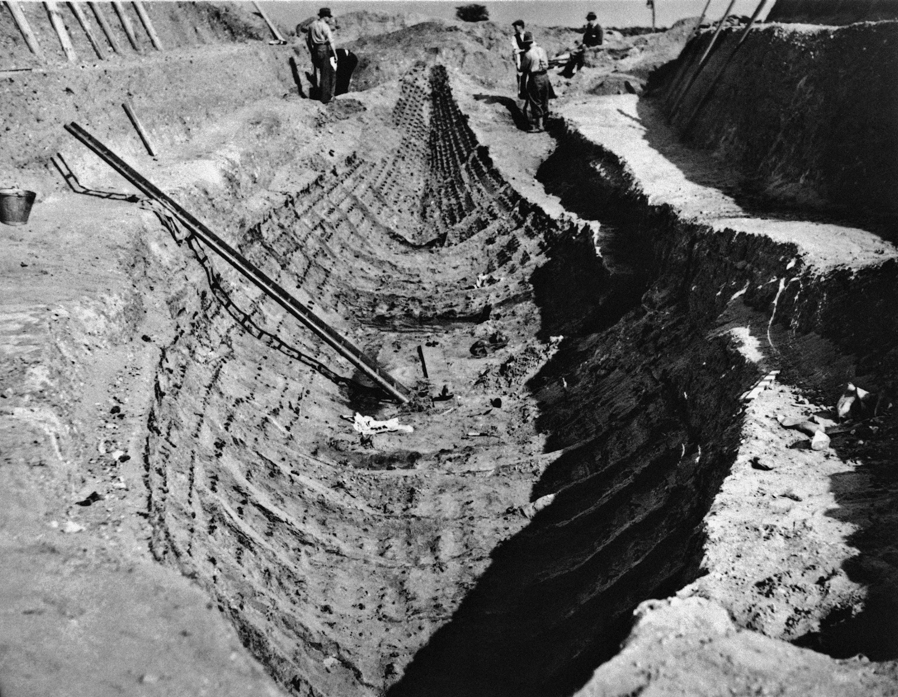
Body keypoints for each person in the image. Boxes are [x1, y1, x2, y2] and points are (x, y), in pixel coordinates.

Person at [519, 31, 555, 133]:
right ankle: (545, 123)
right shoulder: (542, 50)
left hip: (535, 78)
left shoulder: (528, 54)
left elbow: (522, 68)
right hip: (545, 77)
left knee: (536, 101)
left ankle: (539, 126)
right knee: (544, 99)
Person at [306, 7, 338, 104]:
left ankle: (321, 94)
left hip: (316, 49)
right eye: (328, 17)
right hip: (324, 49)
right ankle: (326, 98)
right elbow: (331, 41)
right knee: (326, 74)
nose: (329, 19)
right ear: (325, 17)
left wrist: (312, 51)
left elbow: (308, 40)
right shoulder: (325, 26)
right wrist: (335, 54)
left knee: (319, 73)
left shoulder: (312, 26)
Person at [559, 11, 604, 79]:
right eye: (588, 20)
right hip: (585, 47)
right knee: (573, 53)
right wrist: (584, 44)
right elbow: (585, 38)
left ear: (594, 19)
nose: (589, 21)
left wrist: (588, 45)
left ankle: (577, 74)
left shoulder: (598, 29)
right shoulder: (589, 27)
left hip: (591, 49)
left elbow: (599, 42)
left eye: (590, 19)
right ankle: (567, 72)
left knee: (581, 56)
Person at [510, 20, 527, 106]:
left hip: (529, 57)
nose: (515, 29)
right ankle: (522, 94)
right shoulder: (515, 37)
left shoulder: (528, 35)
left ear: (520, 26)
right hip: (521, 58)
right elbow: (516, 50)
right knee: (521, 75)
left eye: (516, 26)